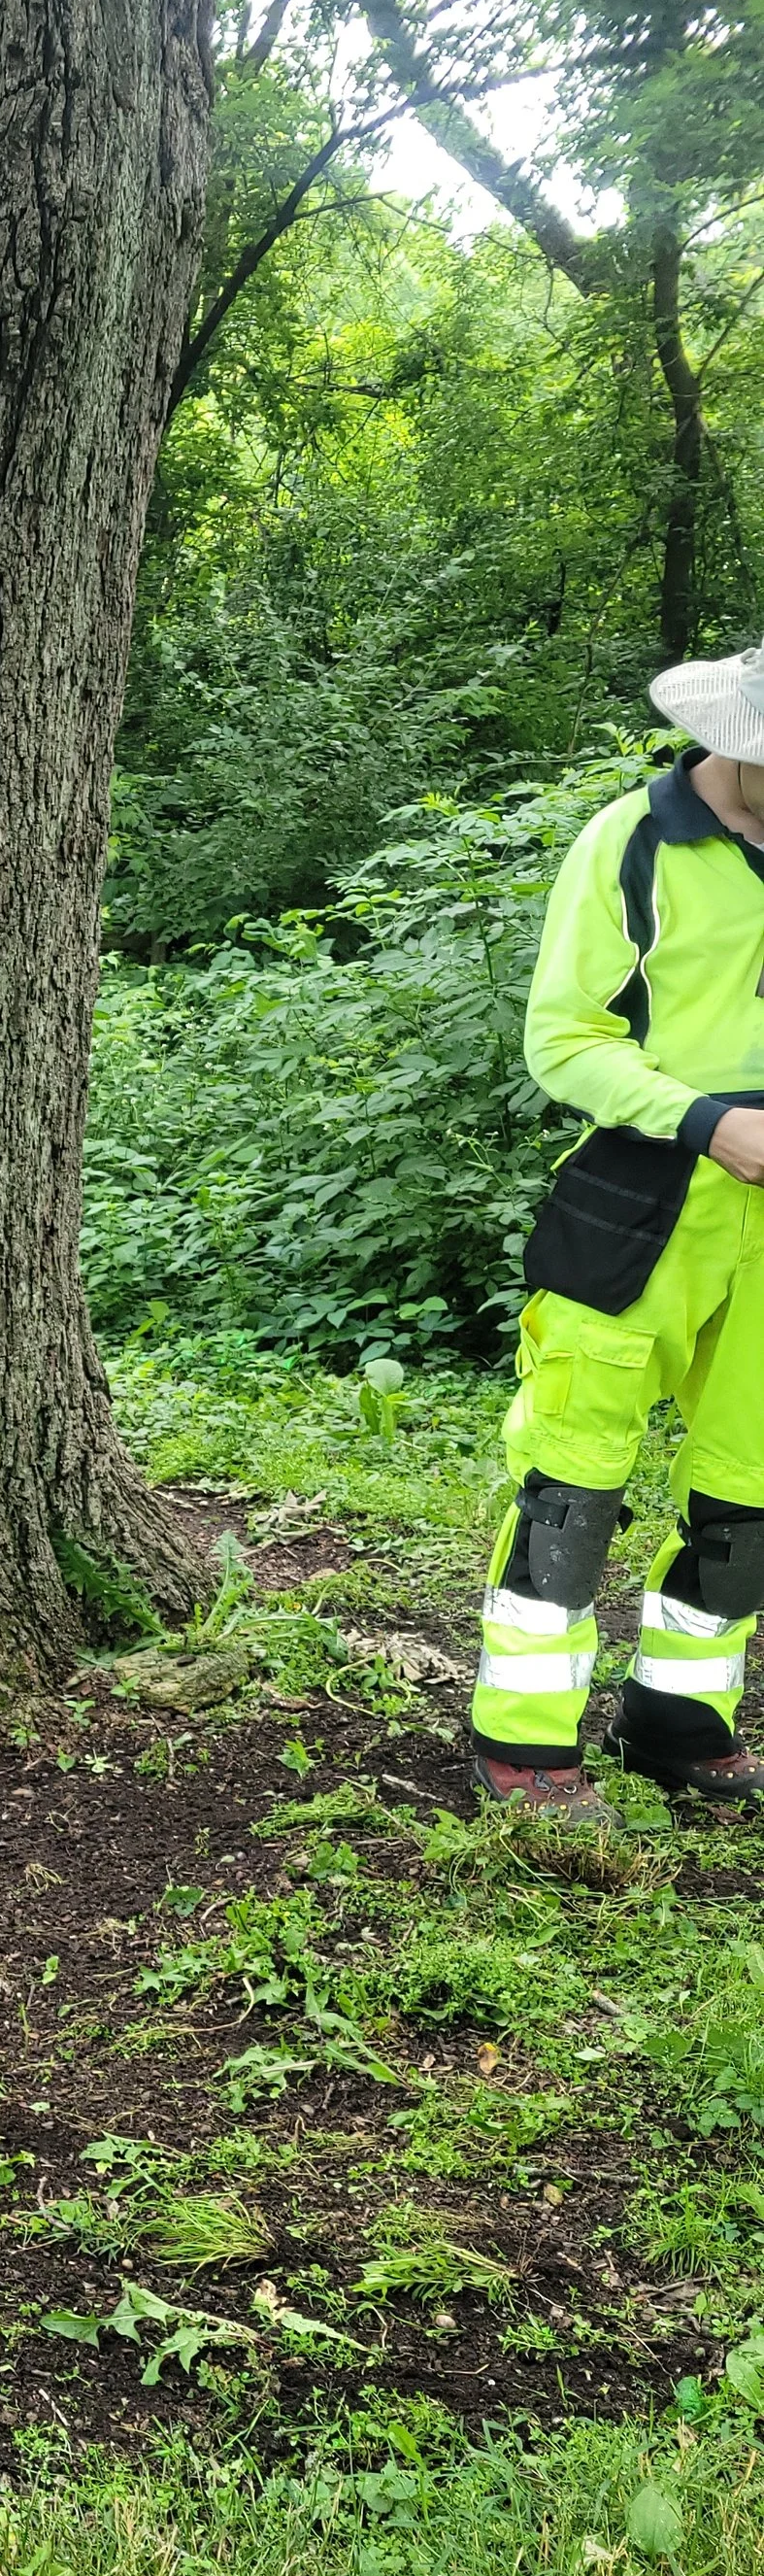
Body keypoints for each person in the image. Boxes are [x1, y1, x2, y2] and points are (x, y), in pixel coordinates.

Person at [472, 645, 764, 1819]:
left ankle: (677, 1720)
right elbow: (562, 1039)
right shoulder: (631, 844)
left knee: (749, 1498)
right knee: (571, 1491)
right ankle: (525, 1746)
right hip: (637, 1202)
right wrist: (706, 1123)